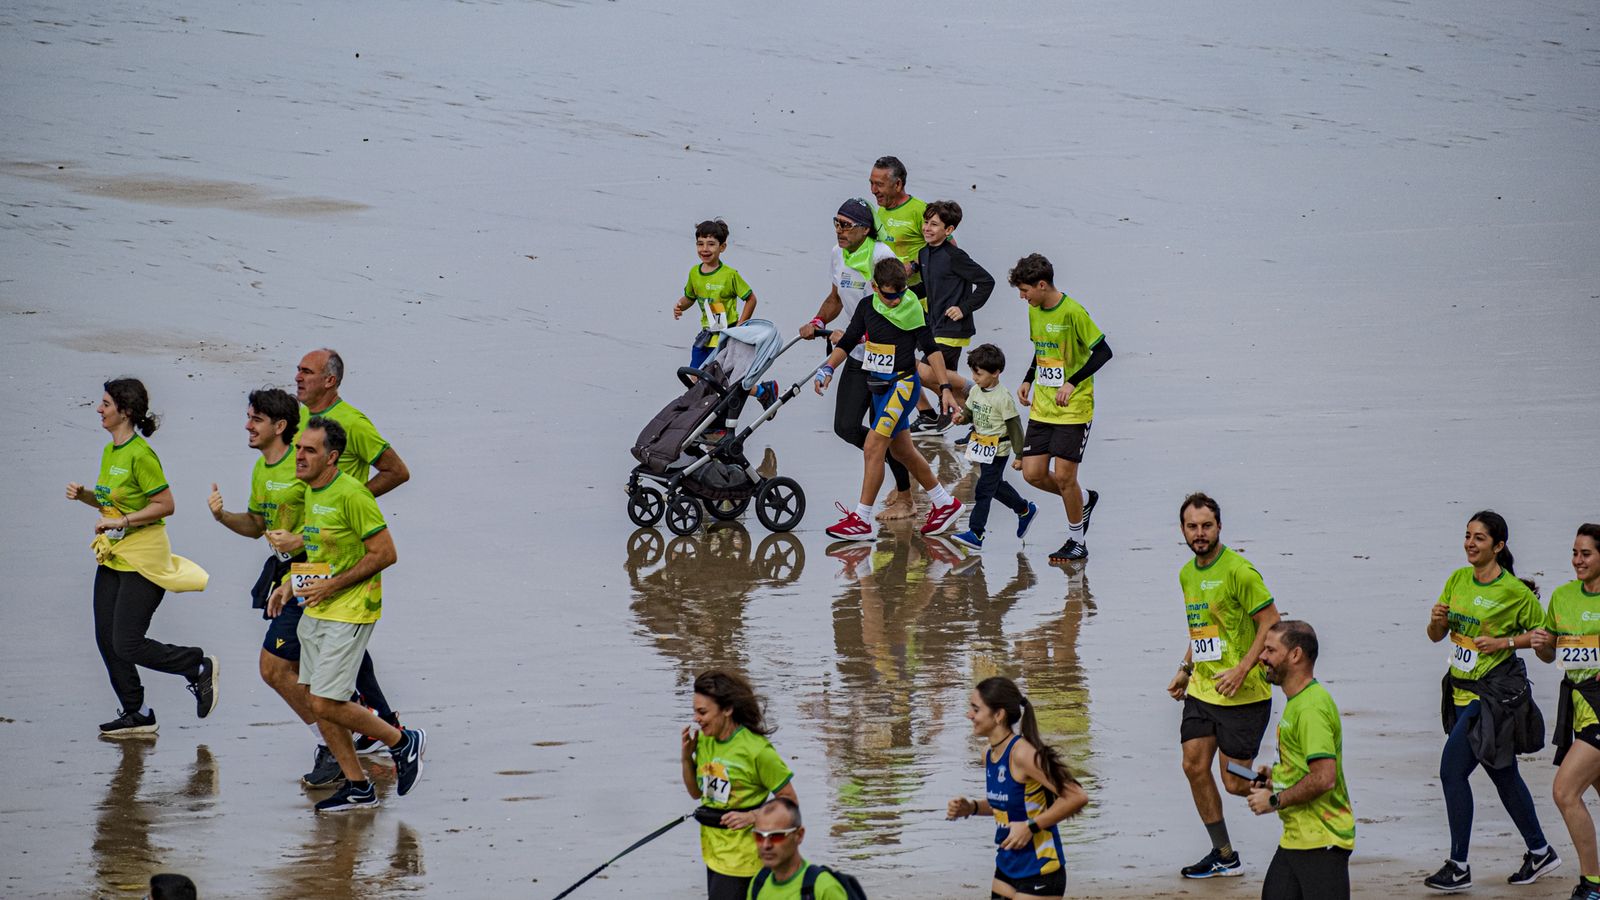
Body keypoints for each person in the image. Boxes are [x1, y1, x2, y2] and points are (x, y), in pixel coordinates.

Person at [266, 418, 425, 812]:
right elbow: (324, 555)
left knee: (324, 702)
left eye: (310, 450)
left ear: (332, 458)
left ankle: (403, 742)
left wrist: (332, 587)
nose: (299, 455)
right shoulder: (313, 492)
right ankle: (358, 786)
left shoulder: (353, 495)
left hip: (352, 611)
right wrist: (291, 583)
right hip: (317, 608)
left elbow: (385, 554)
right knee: (318, 701)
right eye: (299, 448)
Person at [67, 378, 216, 737]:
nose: (99, 410)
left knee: (127, 642)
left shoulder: (141, 454)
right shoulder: (111, 451)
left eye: (105, 404)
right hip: (114, 556)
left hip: (144, 557)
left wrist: (124, 521)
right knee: (107, 639)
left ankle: (196, 665)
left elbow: (166, 505)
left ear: (126, 411)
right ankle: (138, 713)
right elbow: (111, 504)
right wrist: (87, 495)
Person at [1424, 510, 1558, 891]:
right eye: (1467, 535)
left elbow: (1545, 639)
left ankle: (1459, 865)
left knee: (1452, 770)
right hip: (1461, 691)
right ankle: (1540, 850)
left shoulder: (1514, 592)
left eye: (1479, 538)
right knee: (1502, 772)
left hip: (1495, 694)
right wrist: (1436, 620)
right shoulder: (1457, 580)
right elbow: (1436, 636)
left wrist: (1505, 643)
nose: (1470, 543)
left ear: (1498, 546)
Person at [292, 348, 406, 778]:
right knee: (331, 650)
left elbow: (397, 470)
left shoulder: (352, 423)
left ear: (330, 381)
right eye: (297, 369)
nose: (297, 376)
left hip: (343, 560)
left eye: (307, 371)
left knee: (283, 663)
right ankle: (377, 725)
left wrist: (350, 507)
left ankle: (371, 735)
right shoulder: (307, 423)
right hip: (309, 554)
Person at [206, 388, 330, 780]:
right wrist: (223, 516)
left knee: (274, 668)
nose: (247, 425)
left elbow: (331, 526)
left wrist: (301, 544)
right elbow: (257, 526)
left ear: (280, 426)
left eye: (256, 419)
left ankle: (334, 744)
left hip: (316, 569)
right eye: (248, 417)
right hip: (285, 572)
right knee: (306, 665)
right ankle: (364, 731)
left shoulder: (303, 464)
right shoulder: (261, 470)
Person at [1166, 493, 1281, 878]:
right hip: (1202, 690)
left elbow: (1271, 622)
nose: (1199, 533)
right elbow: (1204, 626)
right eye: (1192, 527)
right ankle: (1224, 854)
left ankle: (1285, 786)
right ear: (1182, 530)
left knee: (1235, 782)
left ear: (1219, 527)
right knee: (1192, 765)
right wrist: (1186, 666)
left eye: (1206, 526)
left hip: (1243, 696)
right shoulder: (1187, 573)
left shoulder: (1240, 571)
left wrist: (1243, 670)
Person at [814, 257, 964, 541]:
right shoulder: (867, 306)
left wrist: (944, 387)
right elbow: (847, 342)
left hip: (902, 387)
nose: (895, 301)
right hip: (879, 388)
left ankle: (862, 518)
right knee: (902, 452)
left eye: (899, 293)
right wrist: (828, 368)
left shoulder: (911, 309)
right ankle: (945, 503)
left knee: (873, 447)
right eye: (888, 295)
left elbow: (931, 350)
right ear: (874, 287)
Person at [800, 199, 916, 522]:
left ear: (865, 228)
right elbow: (835, 299)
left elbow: (896, 309)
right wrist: (818, 322)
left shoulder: (881, 257)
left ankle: (906, 495)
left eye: (846, 224)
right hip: (855, 352)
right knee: (846, 426)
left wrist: (857, 335)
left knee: (883, 433)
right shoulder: (838, 254)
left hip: (885, 358)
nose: (839, 230)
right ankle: (902, 463)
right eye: (836, 222)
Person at [946, 676, 1088, 899]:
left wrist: (1031, 827)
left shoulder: (1022, 753)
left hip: (1040, 868)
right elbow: (1007, 804)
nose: (969, 715)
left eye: (976, 709)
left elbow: (1076, 796)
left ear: (998, 715)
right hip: (1006, 864)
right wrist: (972, 807)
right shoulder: (988, 754)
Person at [1009, 254, 1111, 563]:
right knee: (1033, 474)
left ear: (1042, 285)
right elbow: (1041, 349)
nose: (1022, 297)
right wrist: (1028, 378)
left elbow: (1104, 352)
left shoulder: (1073, 312)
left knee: (1066, 478)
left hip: (1073, 409)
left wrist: (1072, 382)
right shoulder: (1035, 310)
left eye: (1025, 290)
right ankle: (1084, 502)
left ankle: (1076, 540)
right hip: (1042, 408)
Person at [1247, 620, 1355, 900]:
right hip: (1296, 838)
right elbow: (1307, 768)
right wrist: (1276, 776)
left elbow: (1324, 777)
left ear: (1295, 655)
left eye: (1270, 650)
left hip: (1322, 840)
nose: (1262, 657)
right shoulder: (1297, 702)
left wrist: (1274, 801)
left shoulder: (1310, 709)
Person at [679, 670, 799, 900]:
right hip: (714, 853)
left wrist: (753, 816)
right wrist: (686, 758)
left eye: (702, 712)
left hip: (746, 859)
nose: (696, 719)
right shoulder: (704, 740)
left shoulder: (757, 750)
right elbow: (696, 793)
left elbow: (790, 800)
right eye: (694, 711)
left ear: (727, 709)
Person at [1533, 524, 1600, 900]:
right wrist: (1543, 644)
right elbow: (1549, 654)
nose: (1577, 561)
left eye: (1586, 554)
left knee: (1565, 791)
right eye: (1574, 553)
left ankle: (1592, 884)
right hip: (1578, 709)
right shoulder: (1562, 597)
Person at [909, 200, 994, 437]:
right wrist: (899, 294)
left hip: (954, 328)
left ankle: (973, 391)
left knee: (925, 372)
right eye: (926, 222)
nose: (927, 228)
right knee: (941, 379)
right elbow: (928, 288)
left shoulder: (955, 256)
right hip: (934, 325)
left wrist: (964, 308)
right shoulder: (924, 253)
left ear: (949, 230)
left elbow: (987, 282)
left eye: (934, 224)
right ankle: (982, 423)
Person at [673, 219, 778, 406]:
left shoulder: (730, 275)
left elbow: (751, 298)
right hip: (705, 336)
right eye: (700, 244)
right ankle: (706, 411)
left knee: (721, 380)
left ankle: (761, 392)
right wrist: (680, 305)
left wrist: (740, 327)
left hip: (725, 335)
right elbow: (690, 296)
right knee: (694, 376)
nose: (705, 249)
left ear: (722, 247)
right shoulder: (694, 274)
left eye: (711, 244)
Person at [949, 344, 1036, 551]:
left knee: (983, 490)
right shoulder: (976, 392)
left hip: (999, 449)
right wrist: (961, 418)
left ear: (996, 373)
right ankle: (1024, 509)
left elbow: (1015, 428)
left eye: (978, 373)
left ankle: (976, 533)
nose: (974, 377)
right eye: (973, 372)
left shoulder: (1003, 398)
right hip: (981, 445)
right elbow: (970, 412)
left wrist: (1020, 455)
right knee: (995, 486)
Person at [746, 798, 850, 900]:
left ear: (799, 835)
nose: (766, 845)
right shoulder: (759, 883)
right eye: (759, 836)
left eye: (776, 836)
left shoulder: (824, 888)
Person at [869, 155, 927, 283]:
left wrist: (914, 265)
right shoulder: (881, 210)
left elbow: (947, 248)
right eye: (871, 183)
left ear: (898, 184)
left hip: (918, 293)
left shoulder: (920, 210)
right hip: (887, 292)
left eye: (879, 184)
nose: (873, 190)